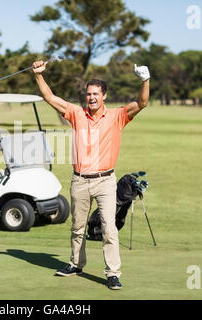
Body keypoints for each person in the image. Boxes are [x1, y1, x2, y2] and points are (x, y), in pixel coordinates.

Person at [32, 60, 150, 290]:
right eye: (88, 94)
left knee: (109, 228)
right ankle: (76, 263)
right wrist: (38, 75)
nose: (91, 97)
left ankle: (112, 273)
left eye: (96, 93)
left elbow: (142, 102)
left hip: (105, 181)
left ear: (104, 95)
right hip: (80, 180)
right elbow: (50, 98)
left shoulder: (118, 116)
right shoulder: (77, 114)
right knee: (77, 227)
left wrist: (145, 80)